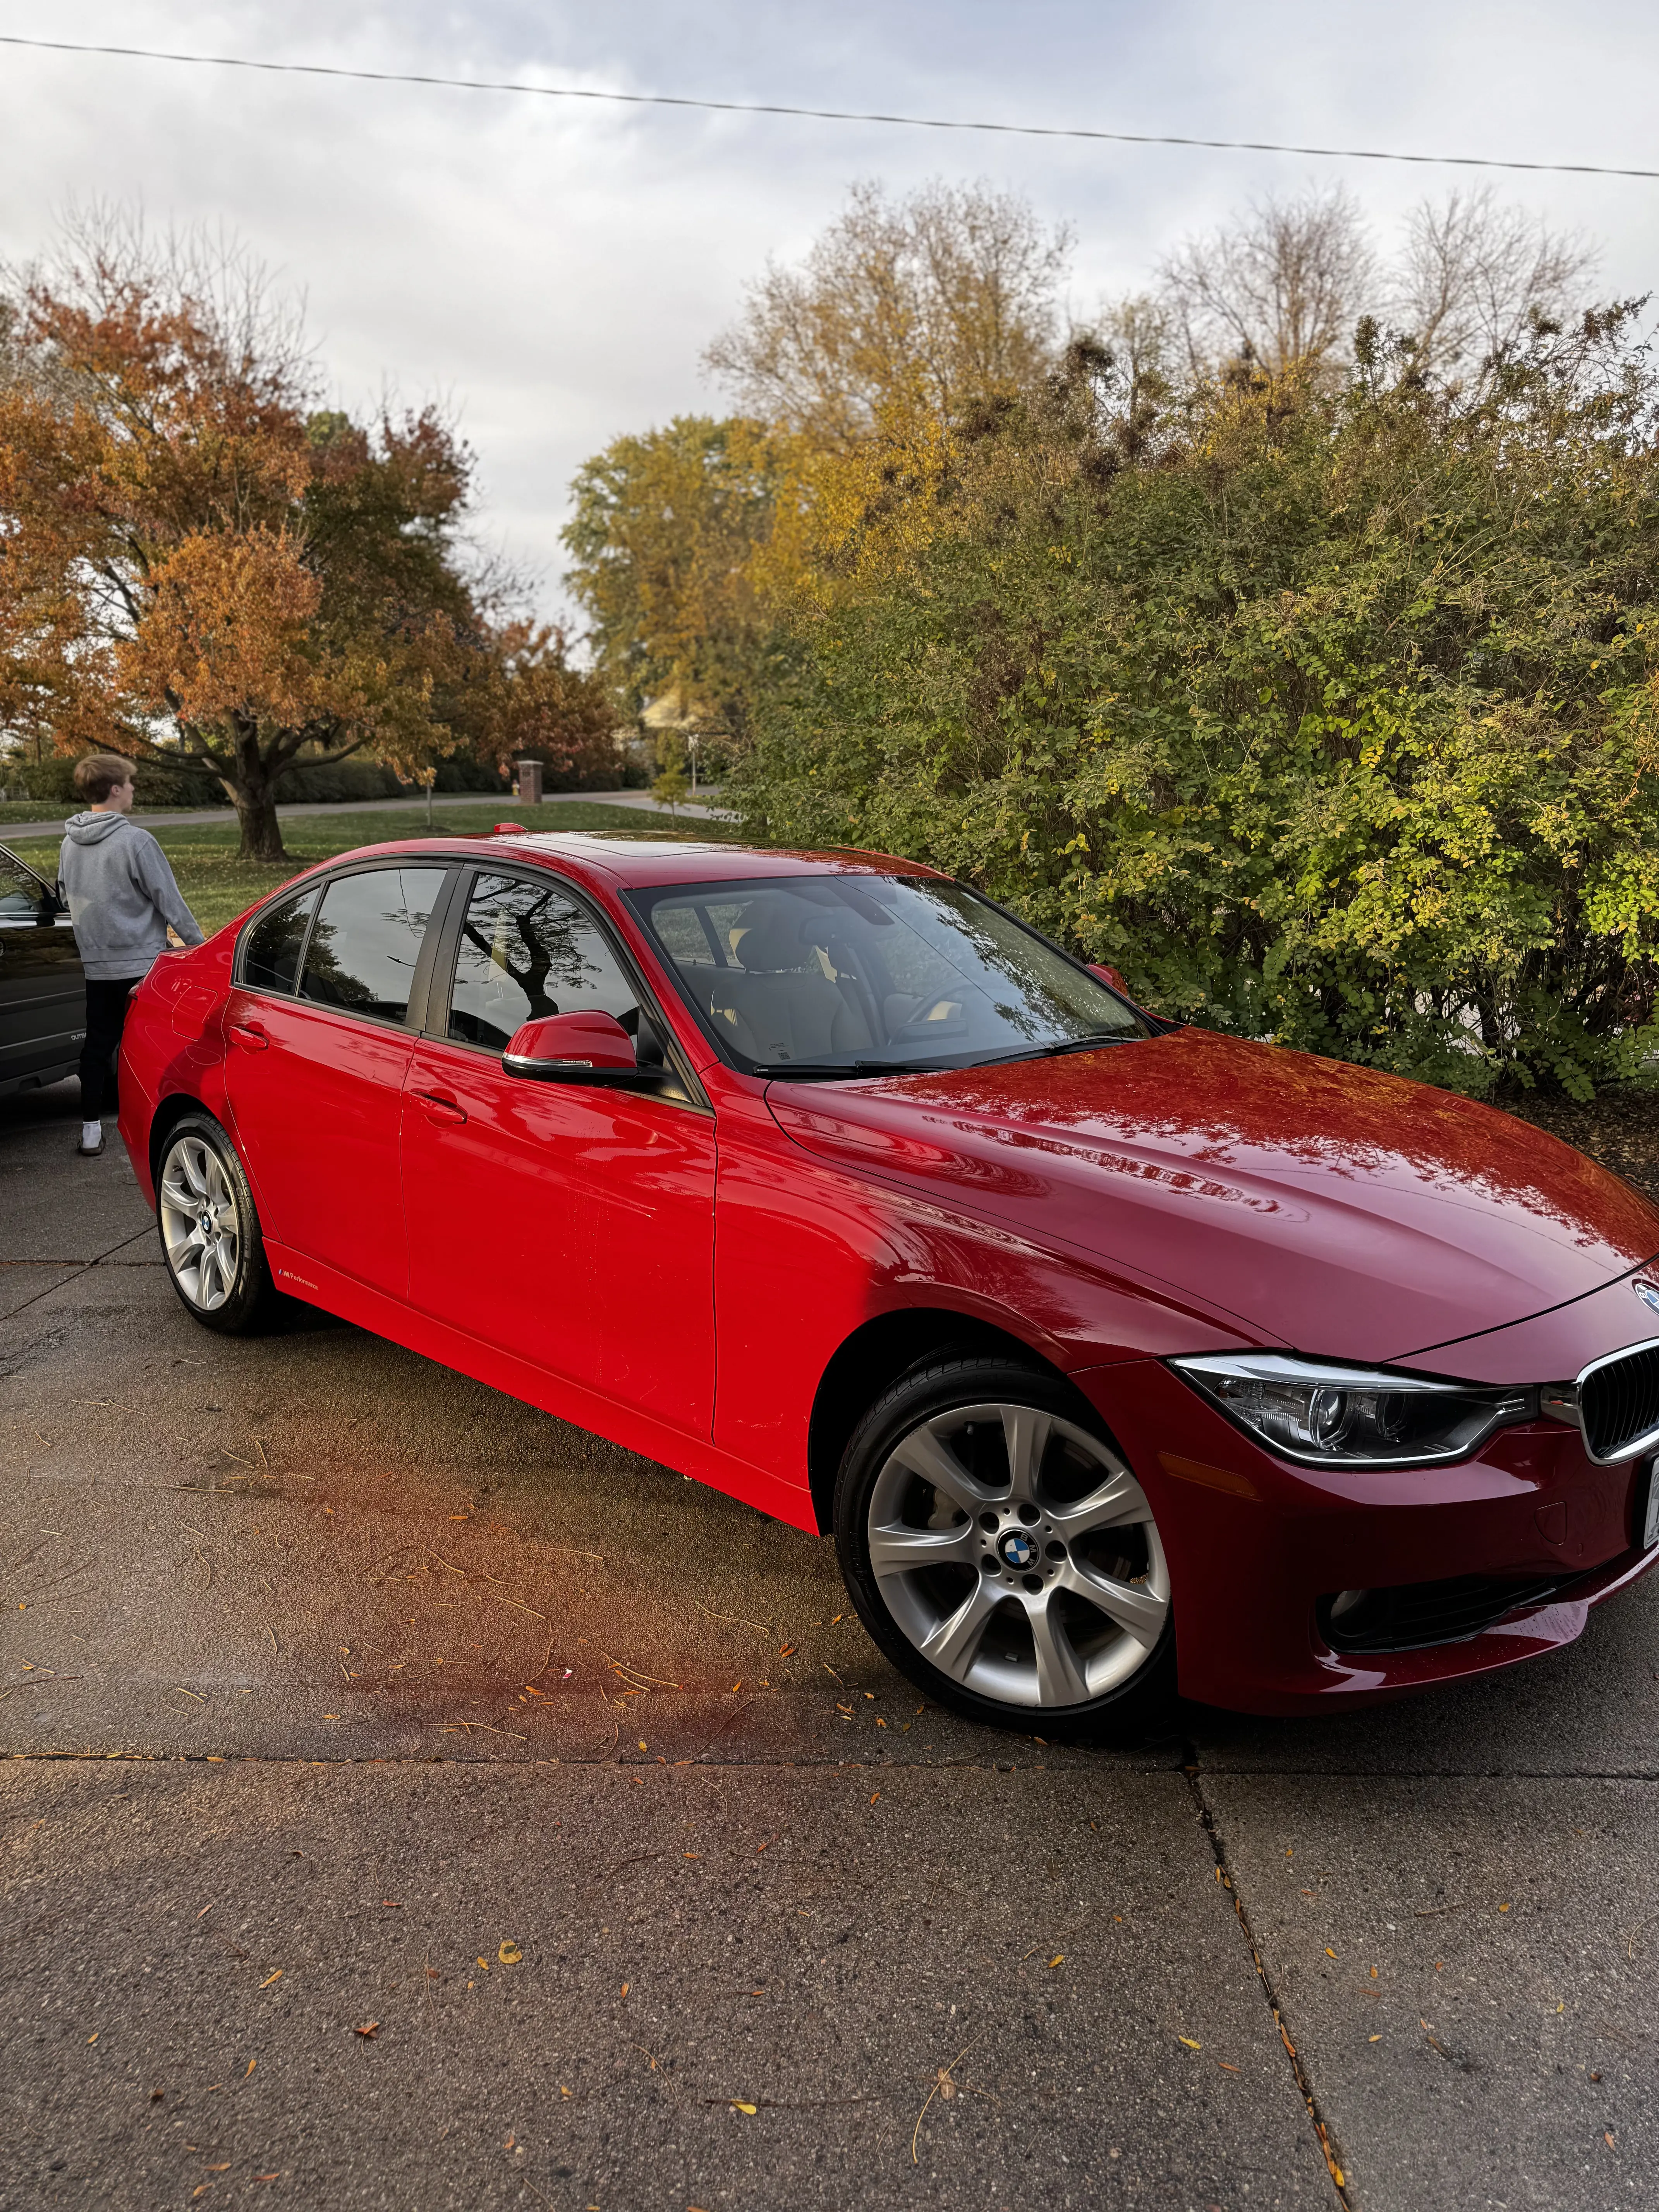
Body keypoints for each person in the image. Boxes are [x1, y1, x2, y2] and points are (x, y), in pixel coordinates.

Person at [59, 754, 204, 1158]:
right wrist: (198, 947)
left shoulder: (69, 843)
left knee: (98, 1043)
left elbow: (65, 895)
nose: (134, 790)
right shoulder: (136, 841)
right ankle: (153, 1125)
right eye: (130, 783)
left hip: (97, 963)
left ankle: (91, 1129)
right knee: (150, 1043)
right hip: (143, 964)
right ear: (116, 789)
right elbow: (168, 900)